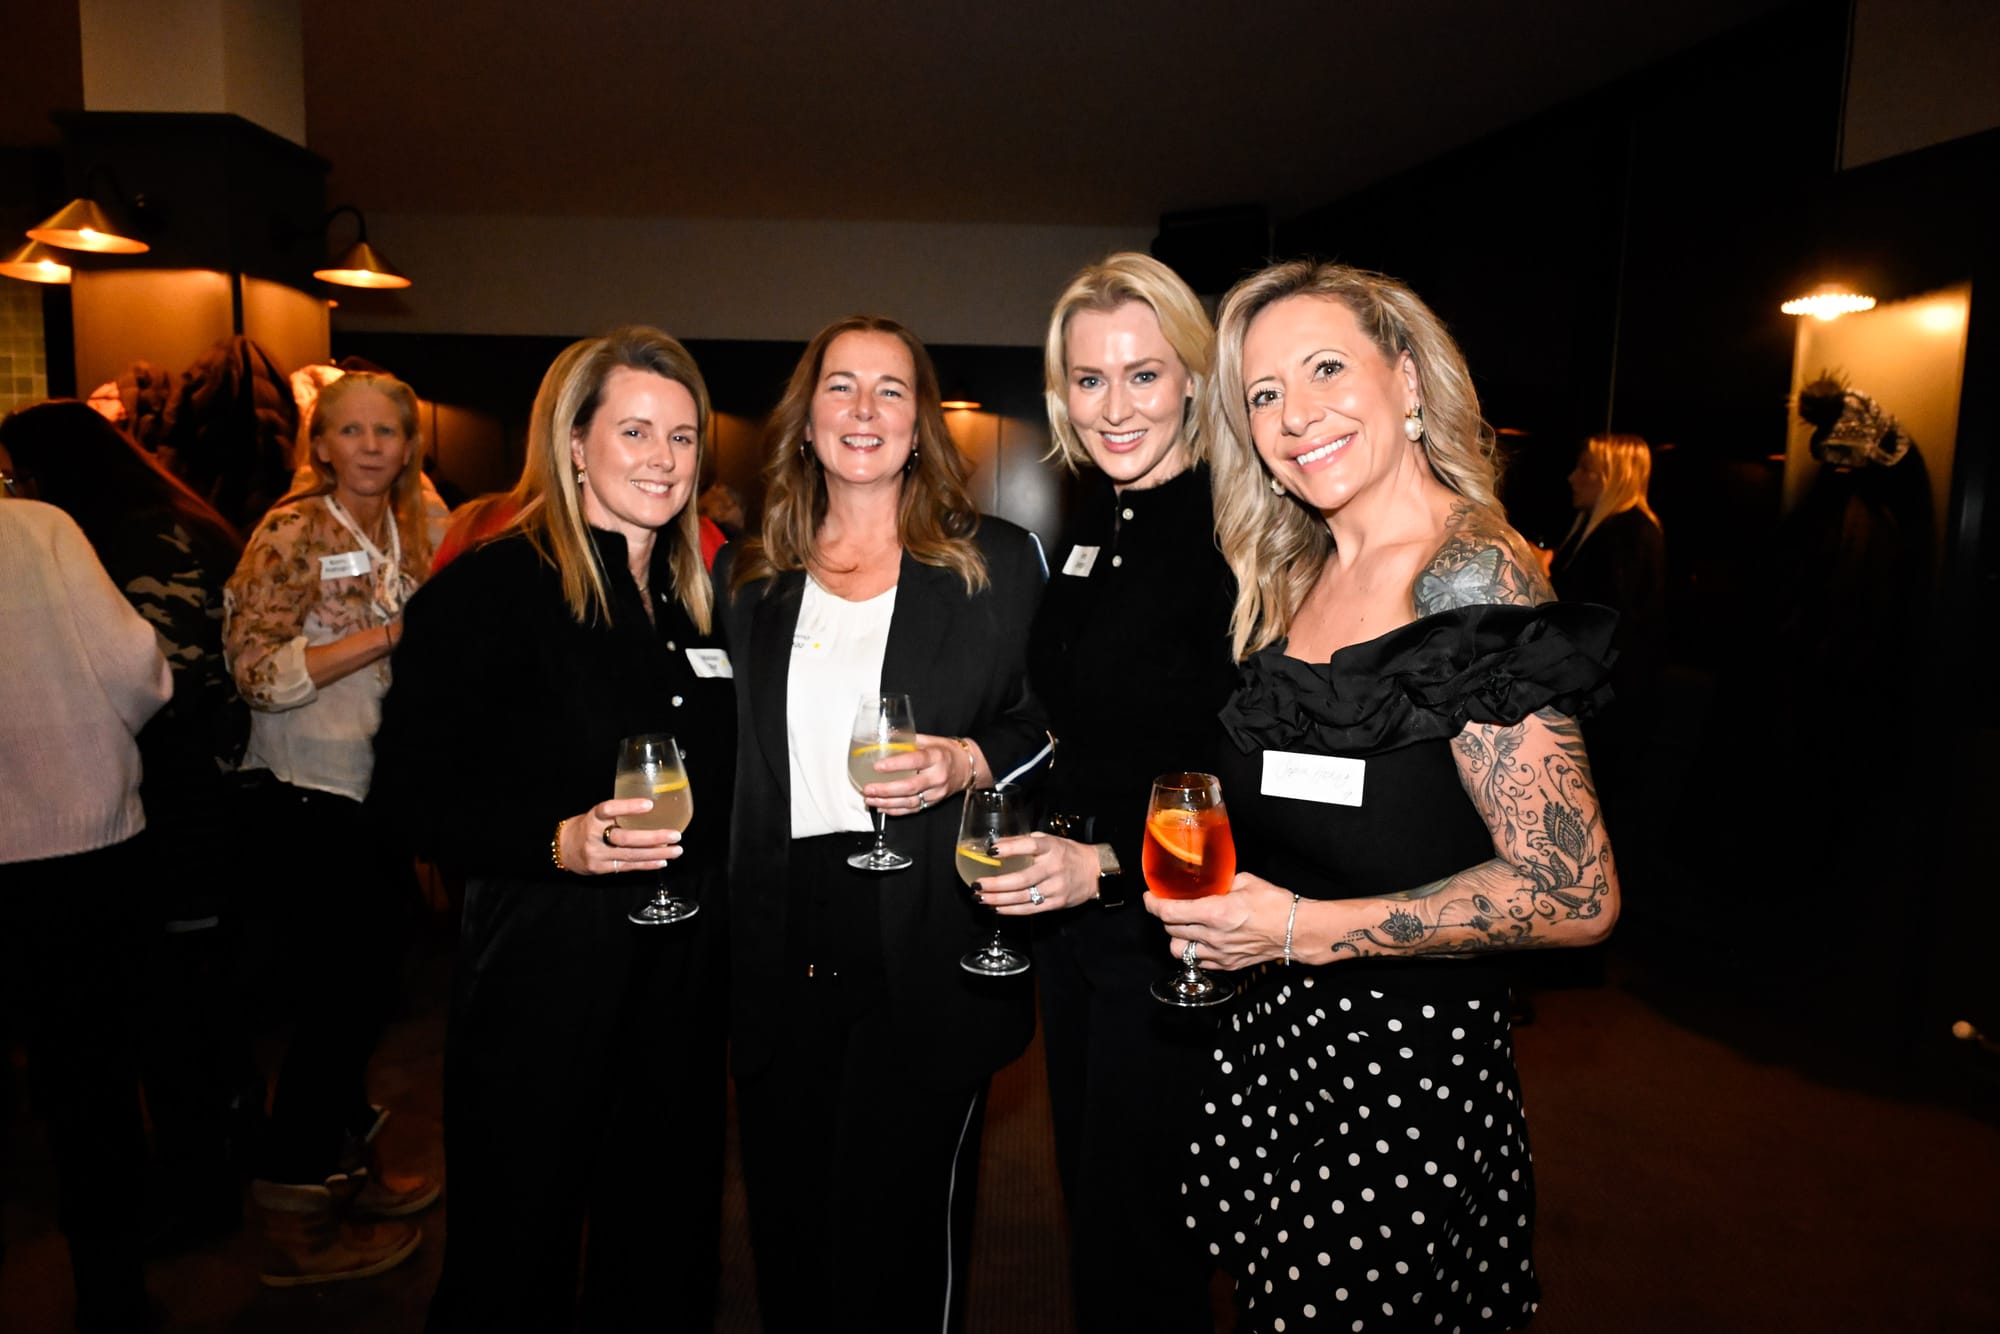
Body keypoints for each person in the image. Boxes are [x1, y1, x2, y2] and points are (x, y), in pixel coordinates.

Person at [1145, 261, 1620, 1333]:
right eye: (1261, 394)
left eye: (1322, 368)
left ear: (1405, 380)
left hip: (1397, 1085)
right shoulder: (1297, 569)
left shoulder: (1469, 579)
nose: (1292, 414)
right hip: (1277, 1043)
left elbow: (1572, 890)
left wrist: (1303, 929)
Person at [371, 327, 735, 1331]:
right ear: (573, 443)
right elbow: (404, 797)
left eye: (683, 435)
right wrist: (553, 840)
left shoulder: (703, 600)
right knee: (515, 1246)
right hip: (546, 964)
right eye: (634, 430)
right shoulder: (489, 591)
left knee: (663, 1237)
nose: (663, 457)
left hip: (681, 971)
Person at [717, 315, 1051, 1332]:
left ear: (920, 422)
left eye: (890, 390)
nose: (863, 410)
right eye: (840, 387)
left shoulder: (994, 562)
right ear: (805, 419)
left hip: (922, 923)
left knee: (893, 1230)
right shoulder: (745, 577)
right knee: (789, 1217)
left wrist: (966, 758)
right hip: (778, 927)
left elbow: (1052, 724)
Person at [968, 253, 1233, 1332]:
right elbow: (1076, 721)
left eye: (1142, 374)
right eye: (1089, 379)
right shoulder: (1091, 526)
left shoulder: (1232, 535)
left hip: (1169, 928)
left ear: (1190, 382)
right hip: (1077, 922)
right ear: (1059, 395)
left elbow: (1239, 766)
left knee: (1147, 1229)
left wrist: (1107, 860)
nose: (1114, 404)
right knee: (1093, 1196)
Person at [0, 400, 255, 1244]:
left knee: (179, 1010)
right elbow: (142, 672)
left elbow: (170, 676)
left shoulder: (130, 531)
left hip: (174, 800)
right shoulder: (67, 531)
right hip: (136, 809)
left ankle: (200, 1189)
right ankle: (193, 1191)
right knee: (170, 1014)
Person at [222, 369, 440, 1286]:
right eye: (349, 431)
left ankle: (345, 1167)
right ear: (318, 444)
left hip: (376, 792)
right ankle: (292, 1207)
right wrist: (390, 636)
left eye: (386, 431)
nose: (370, 446)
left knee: (364, 996)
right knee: (335, 1007)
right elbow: (256, 673)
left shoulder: (418, 519)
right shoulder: (290, 530)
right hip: (304, 795)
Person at [0, 484, 171, 1332]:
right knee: (92, 1086)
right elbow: (135, 663)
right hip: (78, 844)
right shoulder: (38, 528)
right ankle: (112, 1298)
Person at [1550, 433, 1666, 816]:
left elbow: (1604, 621)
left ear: (1611, 477)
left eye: (1585, 468)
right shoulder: (1603, 530)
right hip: (1601, 698)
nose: (1572, 477)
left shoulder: (1626, 533)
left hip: (1608, 706)